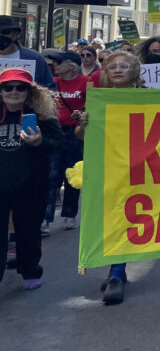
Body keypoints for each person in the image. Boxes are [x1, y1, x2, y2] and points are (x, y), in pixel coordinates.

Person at [73, 51, 141, 304]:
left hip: (141, 169)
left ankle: (117, 272)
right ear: (106, 72)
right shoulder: (97, 100)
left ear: (135, 71)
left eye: (125, 66)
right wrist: (84, 124)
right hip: (107, 167)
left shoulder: (150, 98)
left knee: (130, 219)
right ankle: (116, 271)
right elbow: (81, 136)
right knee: (111, 219)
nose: (119, 70)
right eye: (113, 66)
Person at [0, 68, 65, 290]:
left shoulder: (42, 117)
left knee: (28, 231)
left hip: (31, 186)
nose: (14, 92)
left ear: (30, 92)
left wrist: (40, 143)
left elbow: (58, 145)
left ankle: (30, 271)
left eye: (21, 87)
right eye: (8, 87)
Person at [43, 51, 89, 233]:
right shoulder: (53, 83)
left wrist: (82, 113)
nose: (55, 65)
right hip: (55, 131)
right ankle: (45, 218)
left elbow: (93, 105)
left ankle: (70, 214)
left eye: (59, 62)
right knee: (52, 174)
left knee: (73, 173)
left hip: (75, 133)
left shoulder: (86, 83)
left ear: (72, 65)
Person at [0, 15, 55, 90]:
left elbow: (48, 88)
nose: (1, 35)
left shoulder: (35, 58)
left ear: (15, 34)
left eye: (5, 32)